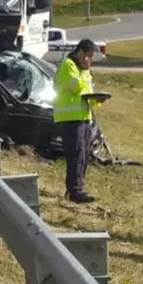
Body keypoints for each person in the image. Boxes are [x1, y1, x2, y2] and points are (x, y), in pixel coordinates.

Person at [53, 38, 101, 203]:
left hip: (84, 118)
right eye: (88, 56)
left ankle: (79, 188)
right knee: (75, 154)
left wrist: (98, 99)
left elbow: (89, 93)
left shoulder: (84, 70)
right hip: (70, 118)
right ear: (80, 52)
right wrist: (84, 72)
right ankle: (74, 191)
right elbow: (77, 88)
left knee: (85, 154)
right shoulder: (68, 66)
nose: (90, 60)